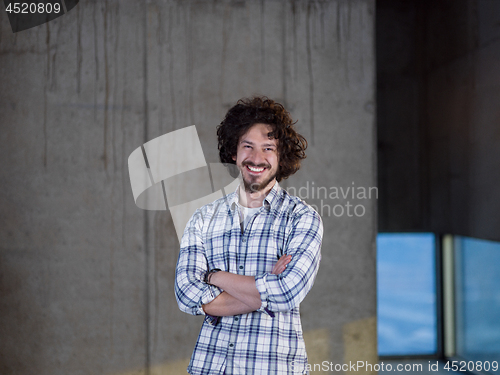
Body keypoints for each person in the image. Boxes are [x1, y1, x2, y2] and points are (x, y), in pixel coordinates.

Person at [175, 96, 323, 375]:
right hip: (210, 367)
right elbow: (185, 294)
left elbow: (288, 292)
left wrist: (212, 277)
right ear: (234, 152)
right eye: (248, 146)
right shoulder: (203, 219)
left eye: (268, 148)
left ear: (281, 156)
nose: (257, 158)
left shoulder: (301, 218)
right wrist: (264, 289)